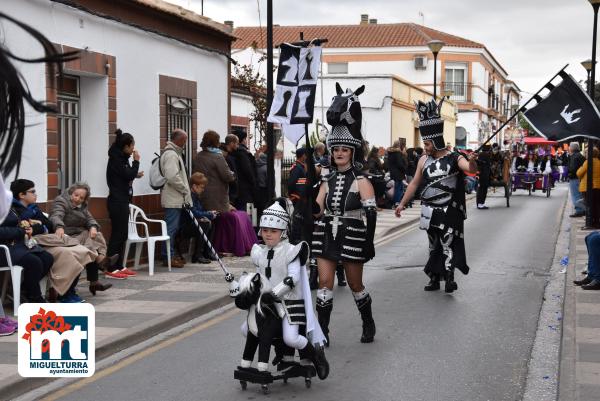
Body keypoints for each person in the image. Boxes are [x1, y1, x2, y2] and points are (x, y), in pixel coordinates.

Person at [233, 199, 329, 379]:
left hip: (289, 303)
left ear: (283, 232)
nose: (268, 234)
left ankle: (316, 355)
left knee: (291, 338)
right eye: (265, 230)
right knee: (247, 330)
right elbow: (257, 277)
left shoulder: (291, 251)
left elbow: (292, 278)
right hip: (265, 305)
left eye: (273, 231)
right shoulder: (259, 252)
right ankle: (283, 354)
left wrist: (273, 294)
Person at [395, 97, 478, 293]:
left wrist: (472, 161)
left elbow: (470, 169)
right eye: (425, 143)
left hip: (448, 208)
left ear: (437, 140)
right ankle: (434, 278)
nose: (425, 146)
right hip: (428, 209)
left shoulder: (455, 157)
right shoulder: (423, 159)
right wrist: (401, 204)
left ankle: (449, 278)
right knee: (433, 247)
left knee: (447, 243)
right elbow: (414, 183)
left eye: (428, 143)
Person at [312, 126, 378, 345]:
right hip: (326, 233)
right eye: (336, 149)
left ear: (352, 152)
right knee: (324, 283)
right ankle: (322, 332)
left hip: (353, 235)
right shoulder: (326, 179)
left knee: (355, 285)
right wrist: (307, 190)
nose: (339, 153)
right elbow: (318, 209)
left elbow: (371, 214)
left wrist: (369, 243)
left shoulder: (362, 180)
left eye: (344, 150)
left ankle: (368, 322)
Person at [10, 179, 98, 303]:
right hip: (31, 243)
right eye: (33, 191)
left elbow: (47, 224)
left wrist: (38, 225)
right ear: (21, 195)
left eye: (82, 197)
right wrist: (40, 226)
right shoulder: (12, 210)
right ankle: (64, 293)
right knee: (68, 254)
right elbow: (26, 228)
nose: (36, 194)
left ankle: (69, 290)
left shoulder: (33, 208)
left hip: (45, 240)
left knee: (82, 250)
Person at [50, 182, 113, 295]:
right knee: (91, 244)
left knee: (94, 235)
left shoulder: (82, 206)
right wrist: (59, 226)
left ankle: (95, 279)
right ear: (71, 193)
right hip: (65, 235)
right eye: (76, 195)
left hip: (78, 235)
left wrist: (93, 227)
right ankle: (100, 261)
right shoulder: (61, 201)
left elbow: (89, 219)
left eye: (82, 198)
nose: (78, 199)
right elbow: (56, 215)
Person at [1, 195, 54, 303]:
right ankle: (35, 297)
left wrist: (28, 227)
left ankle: (24, 290)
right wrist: (21, 231)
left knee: (47, 258)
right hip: (3, 248)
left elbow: (18, 221)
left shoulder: (7, 205)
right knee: (34, 262)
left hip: (16, 245)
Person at [105, 128, 143, 278]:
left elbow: (126, 175)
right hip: (117, 201)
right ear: (126, 146)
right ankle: (110, 267)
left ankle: (119, 265)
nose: (133, 149)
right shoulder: (116, 159)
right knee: (117, 235)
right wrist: (137, 162)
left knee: (123, 234)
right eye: (132, 145)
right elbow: (127, 173)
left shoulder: (121, 158)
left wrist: (134, 173)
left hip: (122, 200)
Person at [159, 129, 192, 268]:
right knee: (171, 229)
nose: (185, 143)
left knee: (172, 228)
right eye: (184, 140)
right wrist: (185, 188)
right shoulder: (172, 155)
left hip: (175, 198)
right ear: (178, 140)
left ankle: (169, 255)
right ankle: (168, 256)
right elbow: (172, 176)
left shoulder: (173, 153)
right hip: (173, 198)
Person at [176, 172, 217, 263]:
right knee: (204, 224)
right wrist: (209, 214)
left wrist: (208, 213)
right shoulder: (190, 197)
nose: (203, 189)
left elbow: (198, 212)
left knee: (210, 223)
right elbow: (194, 212)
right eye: (202, 187)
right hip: (184, 226)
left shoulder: (195, 196)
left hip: (191, 223)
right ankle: (197, 255)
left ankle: (207, 252)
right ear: (194, 186)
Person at [193, 130, 235, 213]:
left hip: (201, 193)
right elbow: (227, 177)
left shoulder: (198, 156)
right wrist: (232, 173)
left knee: (207, 220)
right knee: (218, 221)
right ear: (216, 142)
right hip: (217, 197)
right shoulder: (218, 157)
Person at [231, 131, 257, 212]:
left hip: (236, 187)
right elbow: (248, 170)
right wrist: (253, 182)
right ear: (242, 140)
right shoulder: (242, 153)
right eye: (246, 139)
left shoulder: (232, 153)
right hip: (245, 188)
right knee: (246, 211)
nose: (246, 141)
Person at [577, 144, 600, 228]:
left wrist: (580, 168)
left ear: (590, 154)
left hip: (588, 187)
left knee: (589, 205)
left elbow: (579, 173)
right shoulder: (598, 161)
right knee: (596, 205)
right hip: (597, 186)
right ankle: (596, 222)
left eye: (586, 153)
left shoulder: (588, 162)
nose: (585, 154)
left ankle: (589, 223)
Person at [387, 140, 408, 207]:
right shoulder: (398, 153)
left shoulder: (390, 153)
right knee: (399, 189)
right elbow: (400, 164)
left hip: (393, 173)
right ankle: (397, 202)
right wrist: (404, 168)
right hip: (399, 174)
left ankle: (396, 202)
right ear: (399, 145)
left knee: (397, 188)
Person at [568, 142, 586, 218]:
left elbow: (573, 168)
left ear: (572, 148)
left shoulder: (574, 156)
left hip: (574, 178)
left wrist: (569, 174)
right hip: (580, 178)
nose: (569, 148)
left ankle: (579, 210)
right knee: (579, 195)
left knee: (575, 195)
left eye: (569, 147)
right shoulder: (580, 155)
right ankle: (581, 210)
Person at [223, 134, 240, 206]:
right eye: (237, 143)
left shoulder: (232, 155)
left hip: (232, 192)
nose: (238, 146)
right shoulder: (226, 157)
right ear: (231, 143)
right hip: (229, 193)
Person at [476, 144, 491, 209]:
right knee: (483, 190)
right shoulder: (486, 155)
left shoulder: (480, 155)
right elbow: (488, 165)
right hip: (484, 175)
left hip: (481, 174)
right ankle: (481, 203)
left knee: (481, 189)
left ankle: (480, 203)